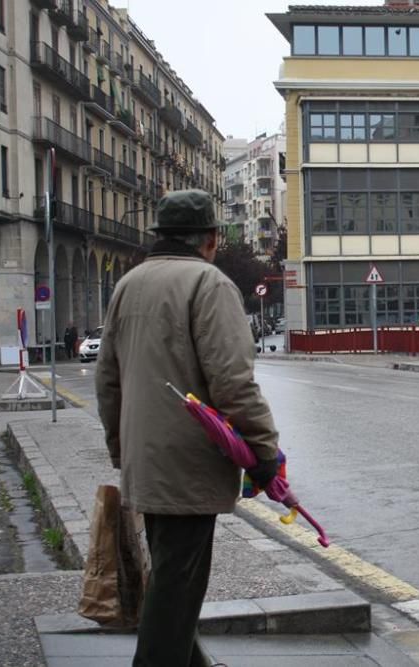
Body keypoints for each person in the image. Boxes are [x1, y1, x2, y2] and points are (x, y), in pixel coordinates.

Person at [95, 190, 280, 667]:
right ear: (212, 239)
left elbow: (107, 380)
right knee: (176, 591)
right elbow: (234, 382)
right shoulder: (209, 284)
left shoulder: (128, 285)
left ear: (161, 235)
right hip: (189, 465)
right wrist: (264, 453)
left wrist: (121, 450)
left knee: (172, 580)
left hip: (146, 461)